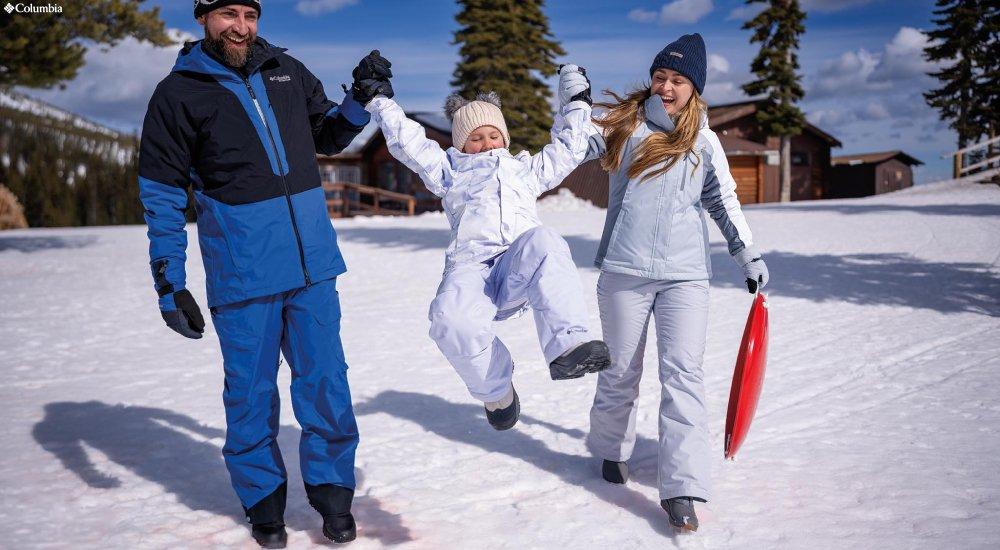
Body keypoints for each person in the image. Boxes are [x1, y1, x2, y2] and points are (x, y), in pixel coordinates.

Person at [137, 1, 393, 546]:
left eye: (250, 16)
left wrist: (361, 98)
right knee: (250, 396)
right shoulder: (177, 94)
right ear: (203, 18)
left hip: (311, 266)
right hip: (243, 272)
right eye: (228, 14)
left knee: (327, 384)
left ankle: (332, 497)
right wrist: (169, 281)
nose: (242, 27)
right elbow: (160, 194)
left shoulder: (287, 70)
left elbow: (329, 135)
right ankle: (265, 507)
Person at [584, 33, 770, 532]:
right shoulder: (625, 130)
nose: (665, 86)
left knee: (683, 375)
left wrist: (744, 251)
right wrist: (575, 106)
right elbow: (572, 146)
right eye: (660, 76)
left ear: (695, 88)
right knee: (620, 369)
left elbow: (723, 200)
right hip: (624, 270)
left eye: (677, 80)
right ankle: (610, 449)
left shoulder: (704, 143)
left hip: (686, 276)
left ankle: (683, 487)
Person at [361, 64, 611, 431]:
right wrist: (381, 102)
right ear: (460, 143)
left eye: (494, 134)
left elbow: (569, 149)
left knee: (546, 240)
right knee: (449, 320)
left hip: (517, 264)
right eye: (475, 137)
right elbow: (409, 143)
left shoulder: (524, 170)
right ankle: (497, 393)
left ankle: (568, 346)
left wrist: (576, 101)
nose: (486, 143)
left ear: (505, 139)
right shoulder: (448, 171)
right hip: (471, 269)